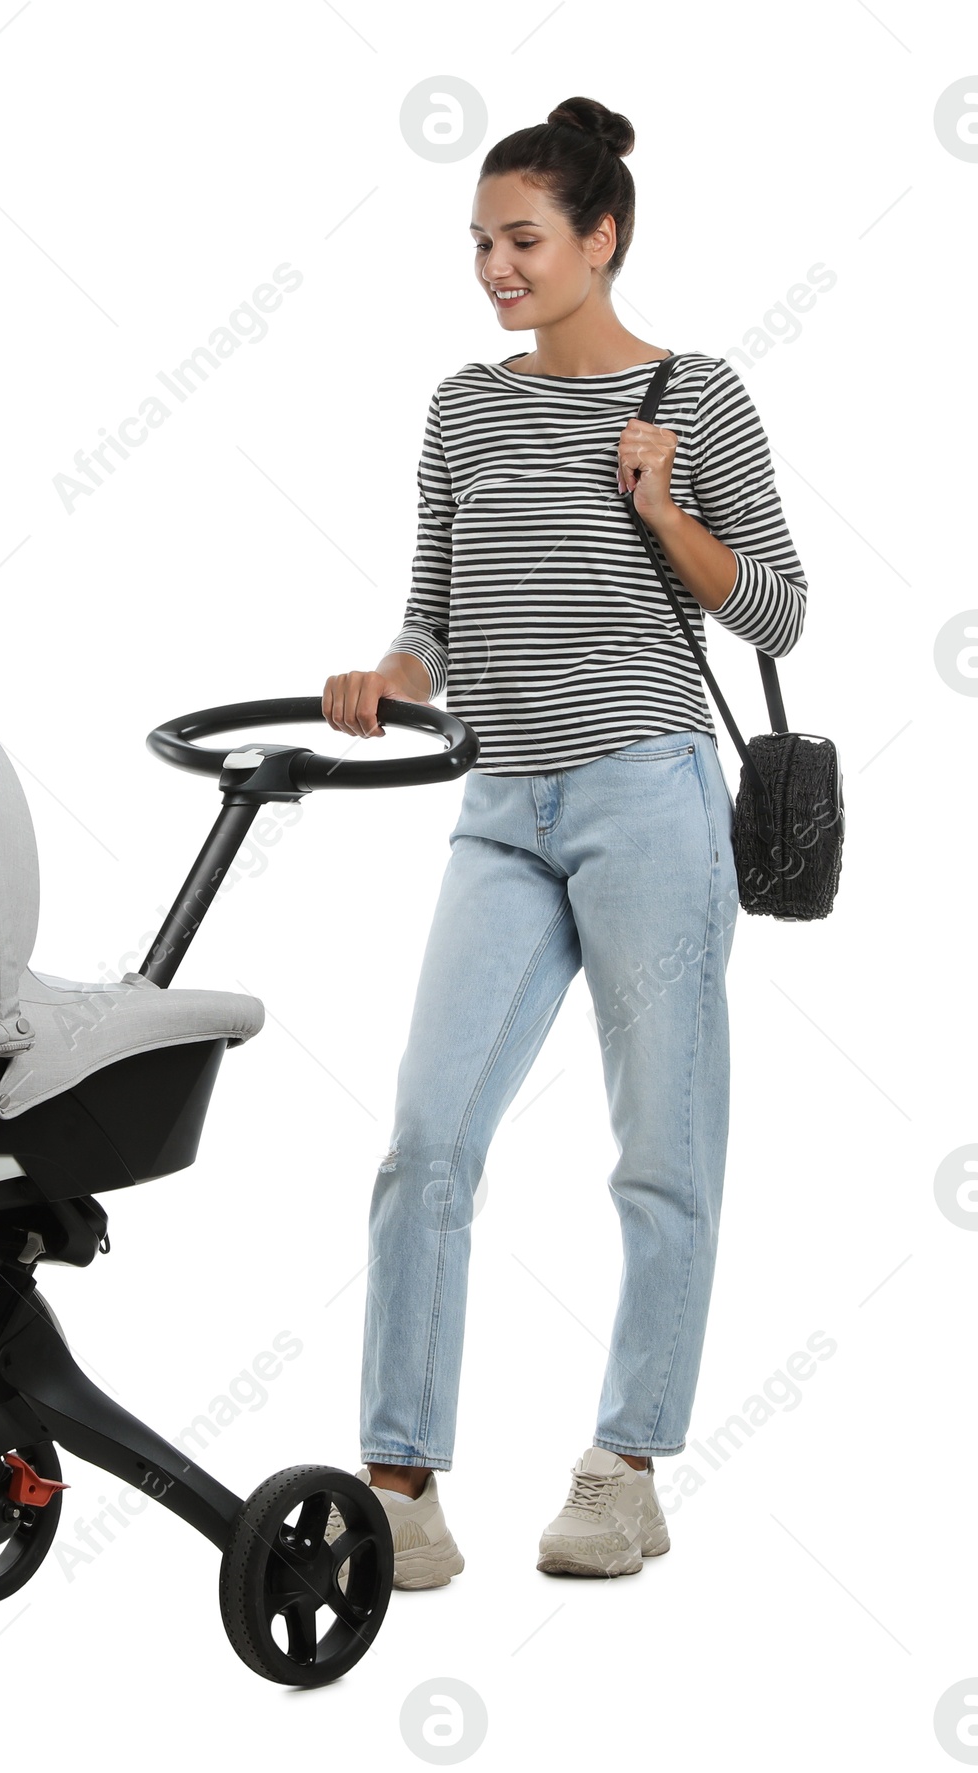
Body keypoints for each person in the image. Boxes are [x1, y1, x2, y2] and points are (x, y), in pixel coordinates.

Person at [322, 96, 807, 1582]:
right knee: (425, 1140)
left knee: (663, 1151)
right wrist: (390, 679)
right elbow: (434, 618)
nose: (495, 268)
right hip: (500, 807)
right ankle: (400, 1490)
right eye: (480, 242)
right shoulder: (462, 408)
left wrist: (667, 509)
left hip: (649, 797)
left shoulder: (695, 394)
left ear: (602, 239)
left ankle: (627, 1464)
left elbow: (779, 609)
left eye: (523, 240)